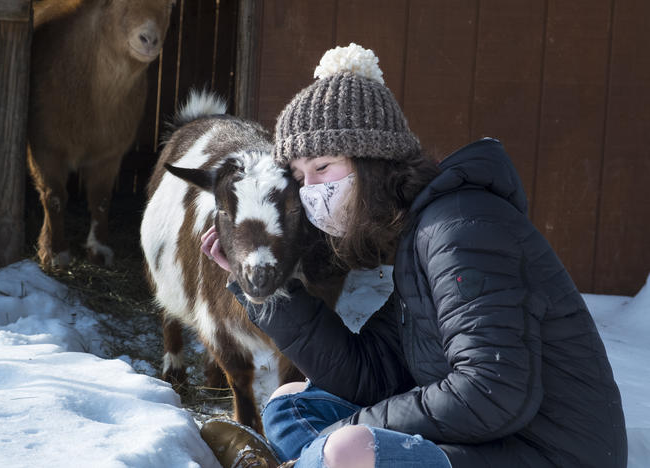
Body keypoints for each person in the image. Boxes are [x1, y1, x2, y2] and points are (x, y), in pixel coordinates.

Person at [200, 43, 627, 468]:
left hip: (546, 451)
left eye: (323, 168)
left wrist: (350, 432)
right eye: (300, 177)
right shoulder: (418, 234)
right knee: (291, 404)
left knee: (347, 447)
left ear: (372, 159)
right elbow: (373, 373)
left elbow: (492, 389)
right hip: (488, 436)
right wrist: (267, 294)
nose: (311, 190)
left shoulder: (460, 229)